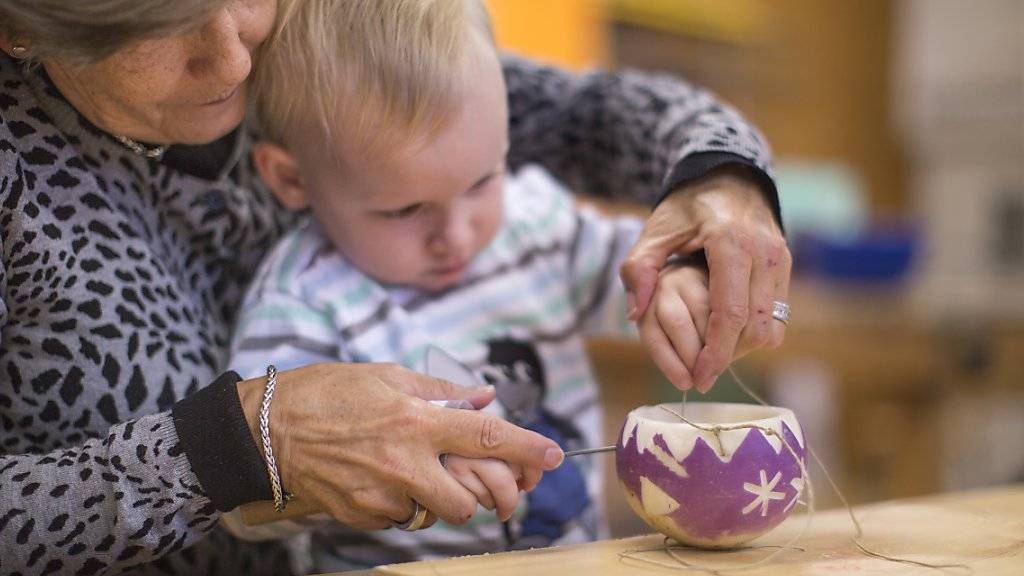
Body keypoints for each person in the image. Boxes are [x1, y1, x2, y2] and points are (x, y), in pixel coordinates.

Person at [0, 0, 789, 573]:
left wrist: (719, 181)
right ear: (21, 29)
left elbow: (593, 115)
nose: (238, 60)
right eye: (155, 27)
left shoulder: (333, 43)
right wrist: (246, 446)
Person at [225, 0, 716, 569]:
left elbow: (645, 273)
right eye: (405, 210)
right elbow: (249, 509)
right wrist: (404, 476)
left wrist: (682, 282)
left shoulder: (534, 223)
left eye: (484, 180)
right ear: (290, 178)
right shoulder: (300, 305)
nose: (456, 236)